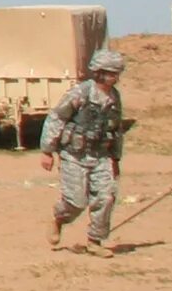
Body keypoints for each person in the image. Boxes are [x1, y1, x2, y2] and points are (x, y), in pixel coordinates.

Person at [39, 48, 129, 255]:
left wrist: (115, 158)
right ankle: (59, 219)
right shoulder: (80, 93)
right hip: (74, 156)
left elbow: (116, 129)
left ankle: (95, 241)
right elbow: (57, 118)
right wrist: (47, 150)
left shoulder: (114, 97)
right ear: (99, 72)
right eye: (111, 73)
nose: (115, 77)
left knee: (106, 197)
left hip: (101, 156)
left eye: (117, 73)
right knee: (76, 201)